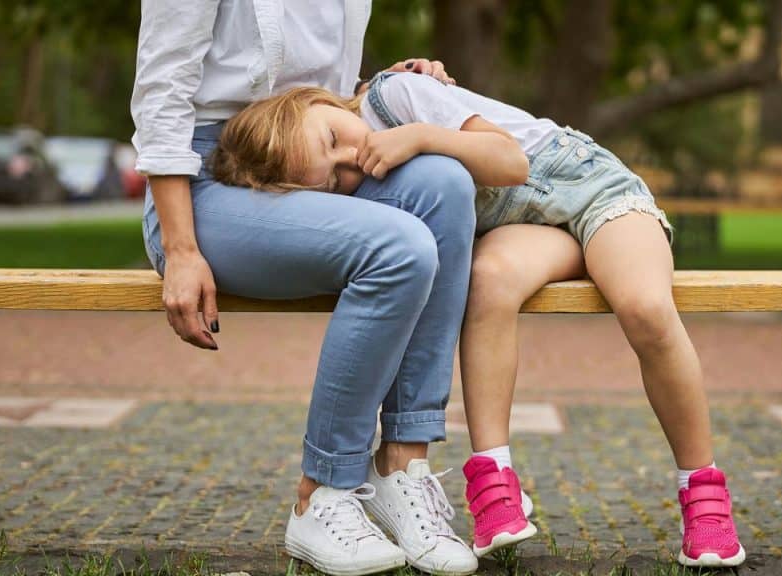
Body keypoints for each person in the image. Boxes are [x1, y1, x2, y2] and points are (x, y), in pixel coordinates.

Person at [210, 70, 748, 568]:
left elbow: (510, 163)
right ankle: (494, 481)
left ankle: (702, 491)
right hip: (531, 227)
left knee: (645, 309)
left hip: (591, 191)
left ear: (320, 101)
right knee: (487, 284)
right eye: (335, 180)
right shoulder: (364, 172)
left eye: (333, 138)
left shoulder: (396, 96)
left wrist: (420, 136)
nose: (353, 158)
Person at [131, 3, 482, 575]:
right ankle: (322, 493)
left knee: (443, 183)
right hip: (202, 184)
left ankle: (401, 466)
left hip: (314, 154)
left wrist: (383, 89)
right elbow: (161, 91)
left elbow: (316, 87)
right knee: (397, 248)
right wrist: (182, 249)